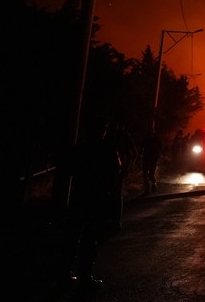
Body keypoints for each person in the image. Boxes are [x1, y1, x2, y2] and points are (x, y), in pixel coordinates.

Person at [64, 121, 125, 286]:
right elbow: (116, 173)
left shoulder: (80, 148)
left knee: (72, 236)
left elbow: (68, 168)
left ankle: (64, 274)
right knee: (89, 239)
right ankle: (85, 276)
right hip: (96, 199)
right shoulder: (107, 150)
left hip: (79, 197)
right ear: (102, 132)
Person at [140, 129, 163, 195]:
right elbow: (161, 148)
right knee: (149, 174)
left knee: (147, 175)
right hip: (151, 159)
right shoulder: (155, 140)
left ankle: (149, 189)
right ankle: (151, 187)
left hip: (149, 158)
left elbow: (141, 149)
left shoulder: (148, 140)